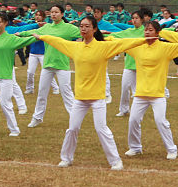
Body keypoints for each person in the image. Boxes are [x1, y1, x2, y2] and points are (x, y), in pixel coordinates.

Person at [32, 15, 144, 169]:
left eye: (87, 26)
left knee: (101, 129)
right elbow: (58, 41)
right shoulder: (76, 47)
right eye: (81, 26)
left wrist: (145, 39)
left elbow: (125, 43)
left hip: (97, 97)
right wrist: (42, 36)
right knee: (72, 128)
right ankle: (66, 158)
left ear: (94, 29)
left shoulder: (103, 47)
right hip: (80, 98)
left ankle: (115, 161)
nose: (83, 29)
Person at [124, 20, 178, 160]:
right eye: (146, 30)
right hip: (140, 94)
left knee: (160, 121)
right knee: (133, 120)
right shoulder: (137, 47)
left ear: (157, 33)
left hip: (158, 94)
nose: (147, 32)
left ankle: (171, 149)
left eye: (150, 30)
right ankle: (135, 148)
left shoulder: (165, 48)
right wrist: (104, 37)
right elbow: (119, 43)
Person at [0, 14, 37, 136]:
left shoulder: (11, 39)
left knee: (5, 104)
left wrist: (39, 36)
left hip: (6, 77)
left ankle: (14, 129)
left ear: (5, 23)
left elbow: (27, 40)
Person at [27, 5, 80, 127]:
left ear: (62, 14)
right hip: (47, 65)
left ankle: (75, 118)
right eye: (52, 12)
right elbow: (32, 33)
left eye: (56, 12)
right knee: (42, 92)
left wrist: (101, 35)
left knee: (66, 92)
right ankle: (37, 117)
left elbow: (84, 33)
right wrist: (19, 33)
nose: (54, 14)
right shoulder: (46, 27)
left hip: (62, 65)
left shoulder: (68, 28)